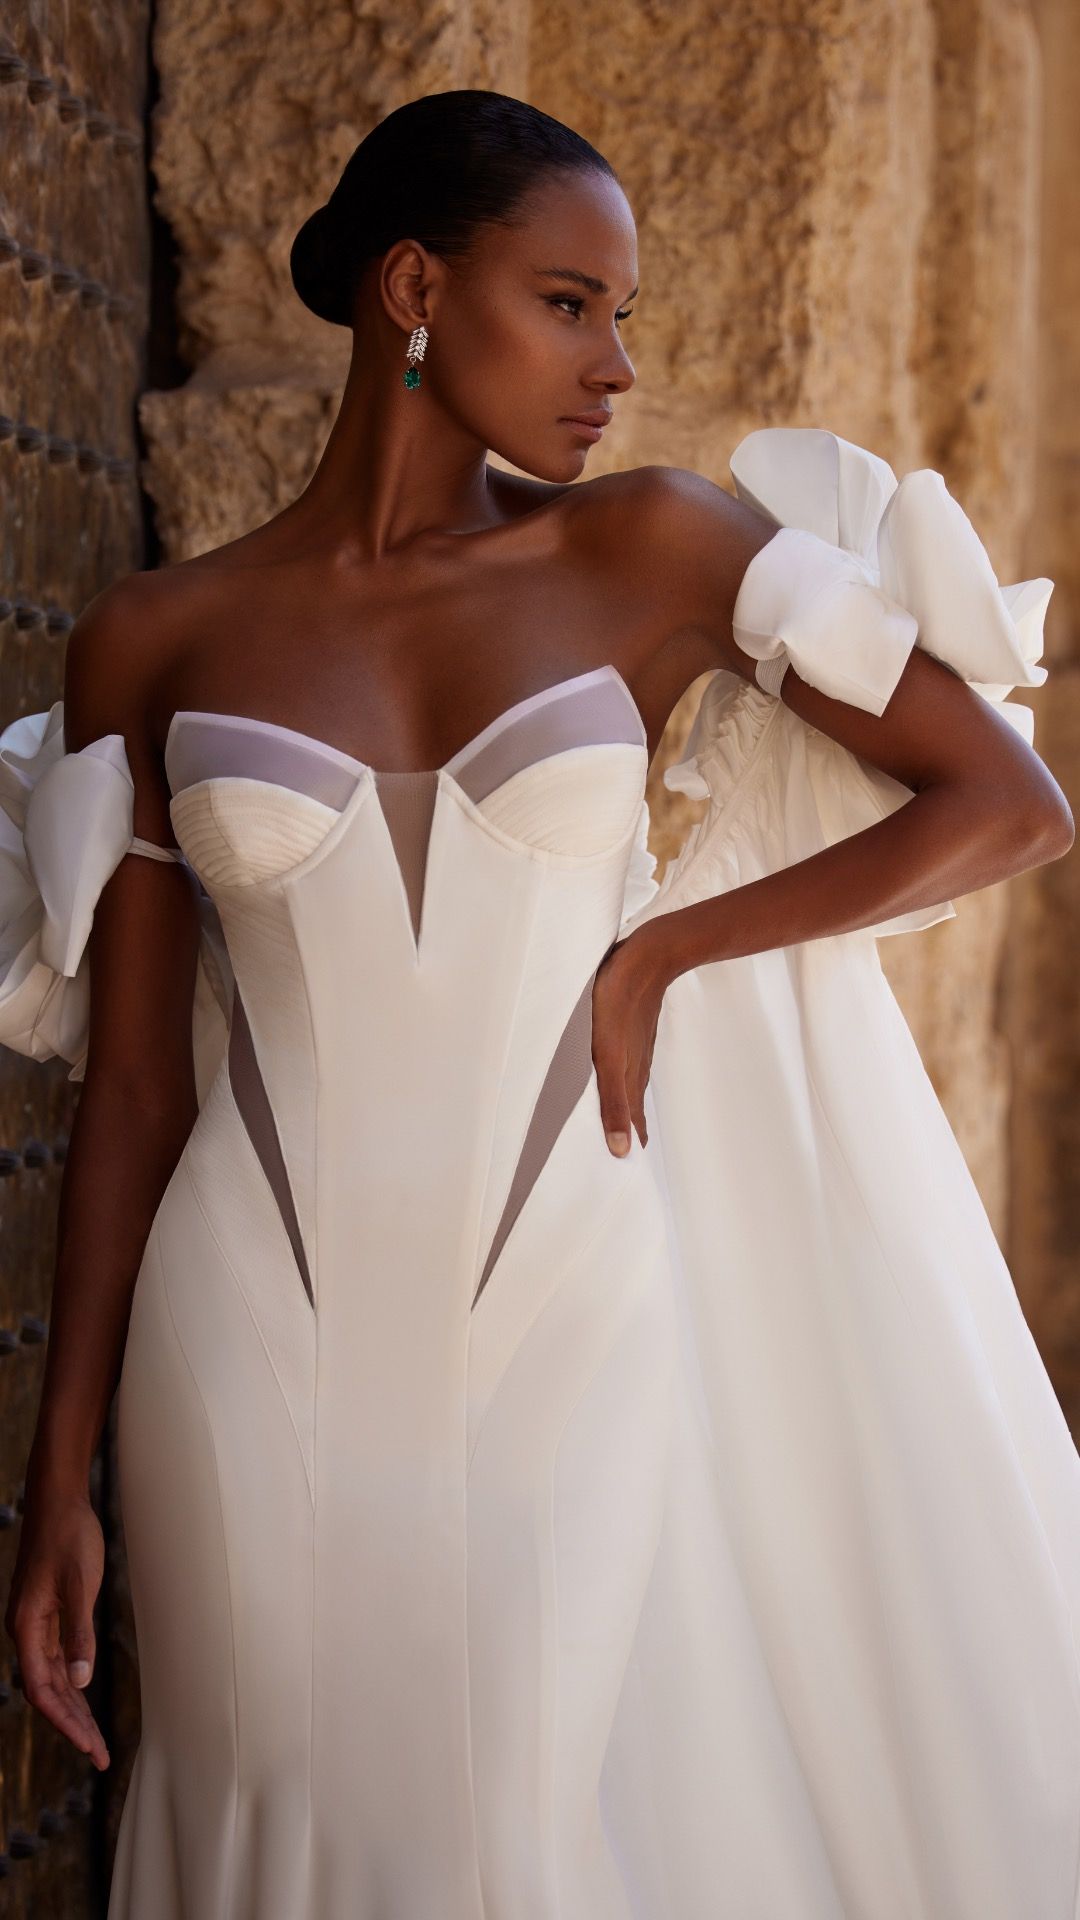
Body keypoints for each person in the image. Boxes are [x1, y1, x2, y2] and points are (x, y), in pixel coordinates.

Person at [2, 86, 1078, 1920]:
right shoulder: (158, 637)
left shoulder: (650, 552)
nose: (616, 364)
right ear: (417, 289)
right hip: (241, 1320)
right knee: (267, 1805)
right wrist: (61, 1477)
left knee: (508, 1824)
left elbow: (1006, 804)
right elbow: (132, 1097)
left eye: (626, 314)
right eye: (571, 302)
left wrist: (663, 948)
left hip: (566, 1290)